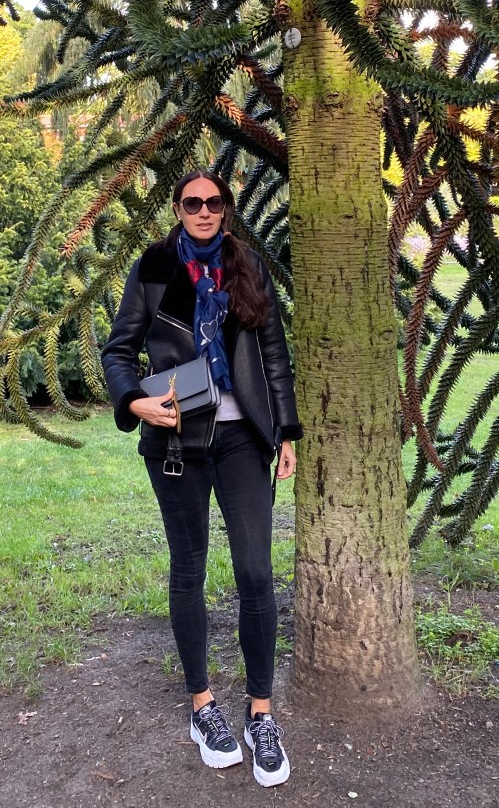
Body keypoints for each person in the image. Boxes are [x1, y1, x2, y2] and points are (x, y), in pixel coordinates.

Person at [101, 169, 301, 787]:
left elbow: (273, 352)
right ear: (178, 209)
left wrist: (285, 430)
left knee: (256, 572)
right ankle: (202, 705)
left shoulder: (248, 265)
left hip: (242, 439)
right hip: (177, 441)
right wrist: (135, 402)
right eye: (193, 203)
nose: (205, 211)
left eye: (215, 202)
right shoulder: (154, 267)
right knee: (188, 570)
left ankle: (261, 714)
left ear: (227, 209)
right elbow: (118, 350)